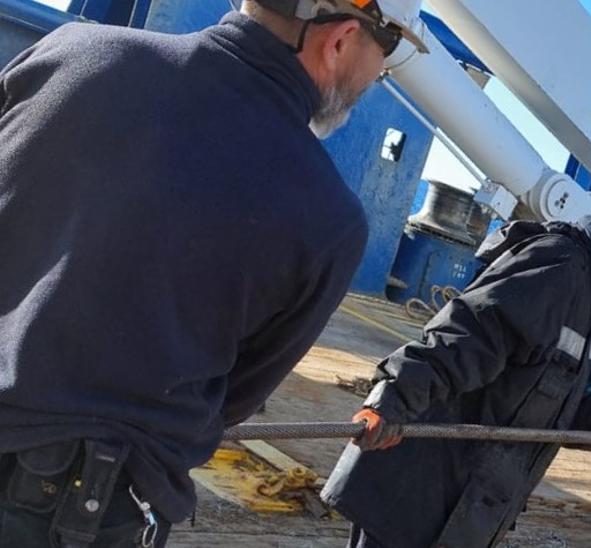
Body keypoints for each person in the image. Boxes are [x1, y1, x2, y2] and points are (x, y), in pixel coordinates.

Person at [0, 1, 421, 544]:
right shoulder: (328, 219)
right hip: (63, 512)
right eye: (384, 57)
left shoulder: (70, 53)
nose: (375, 77)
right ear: (340, 40)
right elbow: (233, 398)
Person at [320, 162, 591, 548]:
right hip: (417, 499)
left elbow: (551, 393)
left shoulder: (587, 292)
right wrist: (390, 400)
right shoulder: (560, 267)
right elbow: (465, 335)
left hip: (455, 508)